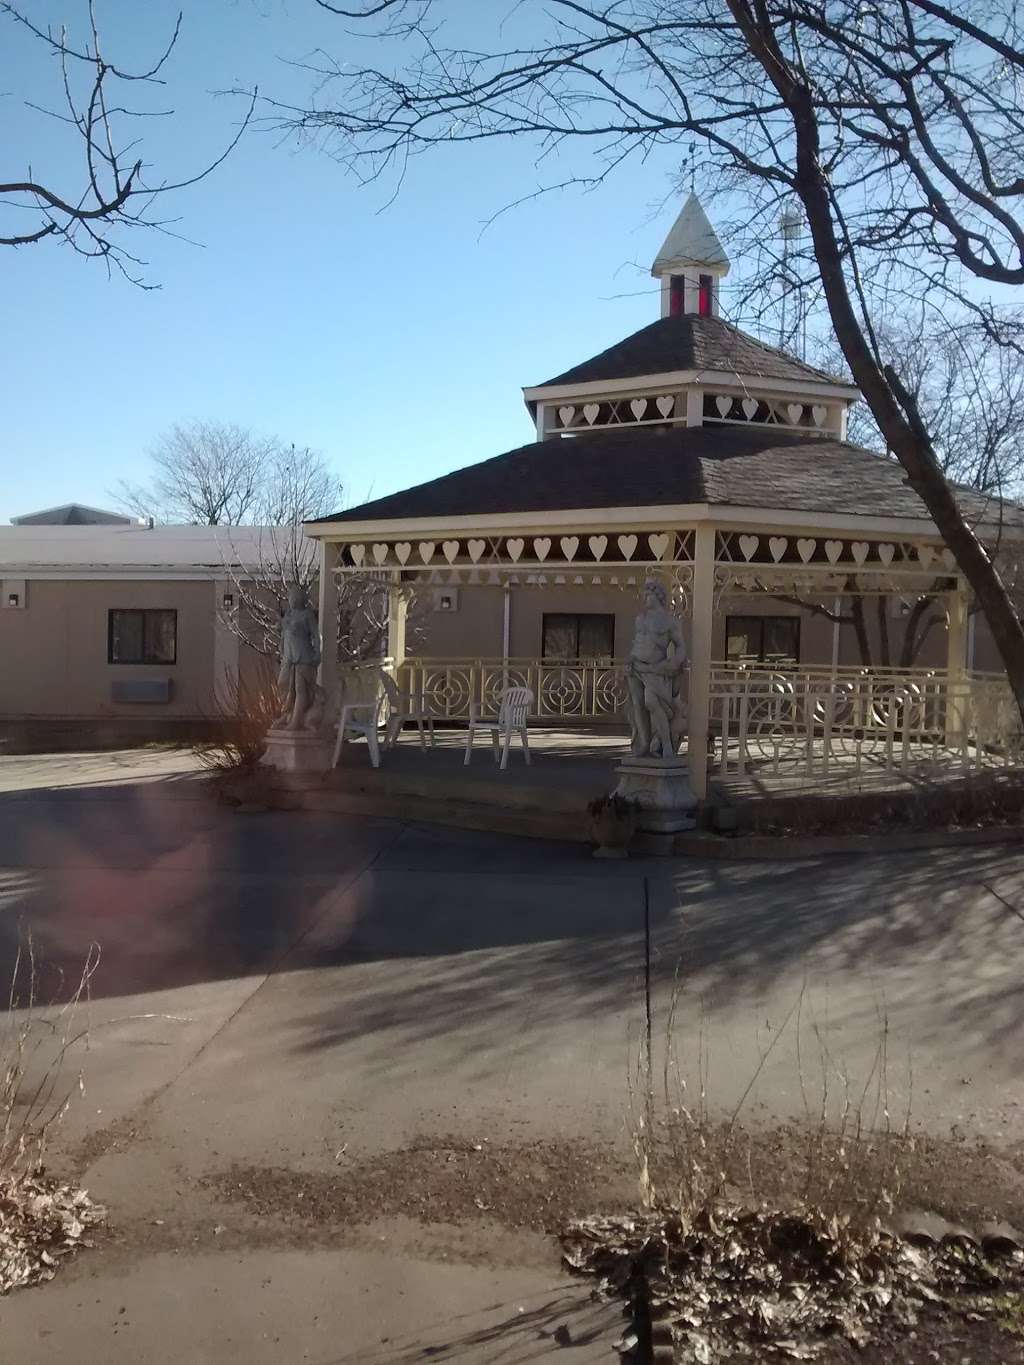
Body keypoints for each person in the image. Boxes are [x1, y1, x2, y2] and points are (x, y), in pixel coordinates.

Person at [625, 579, 688, 758]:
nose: (644, 598)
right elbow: (637, 643)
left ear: (658, 596)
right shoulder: (640, 619)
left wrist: (674, 662)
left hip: (655, 670)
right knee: (637, 704)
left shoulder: (670, 621)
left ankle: (666, 744)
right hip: (635, 667)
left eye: (648, 594)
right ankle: (644, 743)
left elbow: (681, 646)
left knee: (651, 702)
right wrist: (630, 658)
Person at [275, 584, 322, 731]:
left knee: (300, 690)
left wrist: (317, 653)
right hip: (289, 658)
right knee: (283, 683)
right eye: (290, 597)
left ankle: (295, 721)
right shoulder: (288, 614)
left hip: (303, 656)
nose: (291, 599)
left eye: (294, 596)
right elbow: (284, 633)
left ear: (300, 598)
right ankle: (287, 714)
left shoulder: (307, 614)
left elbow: (316, 635)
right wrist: (281, 646)